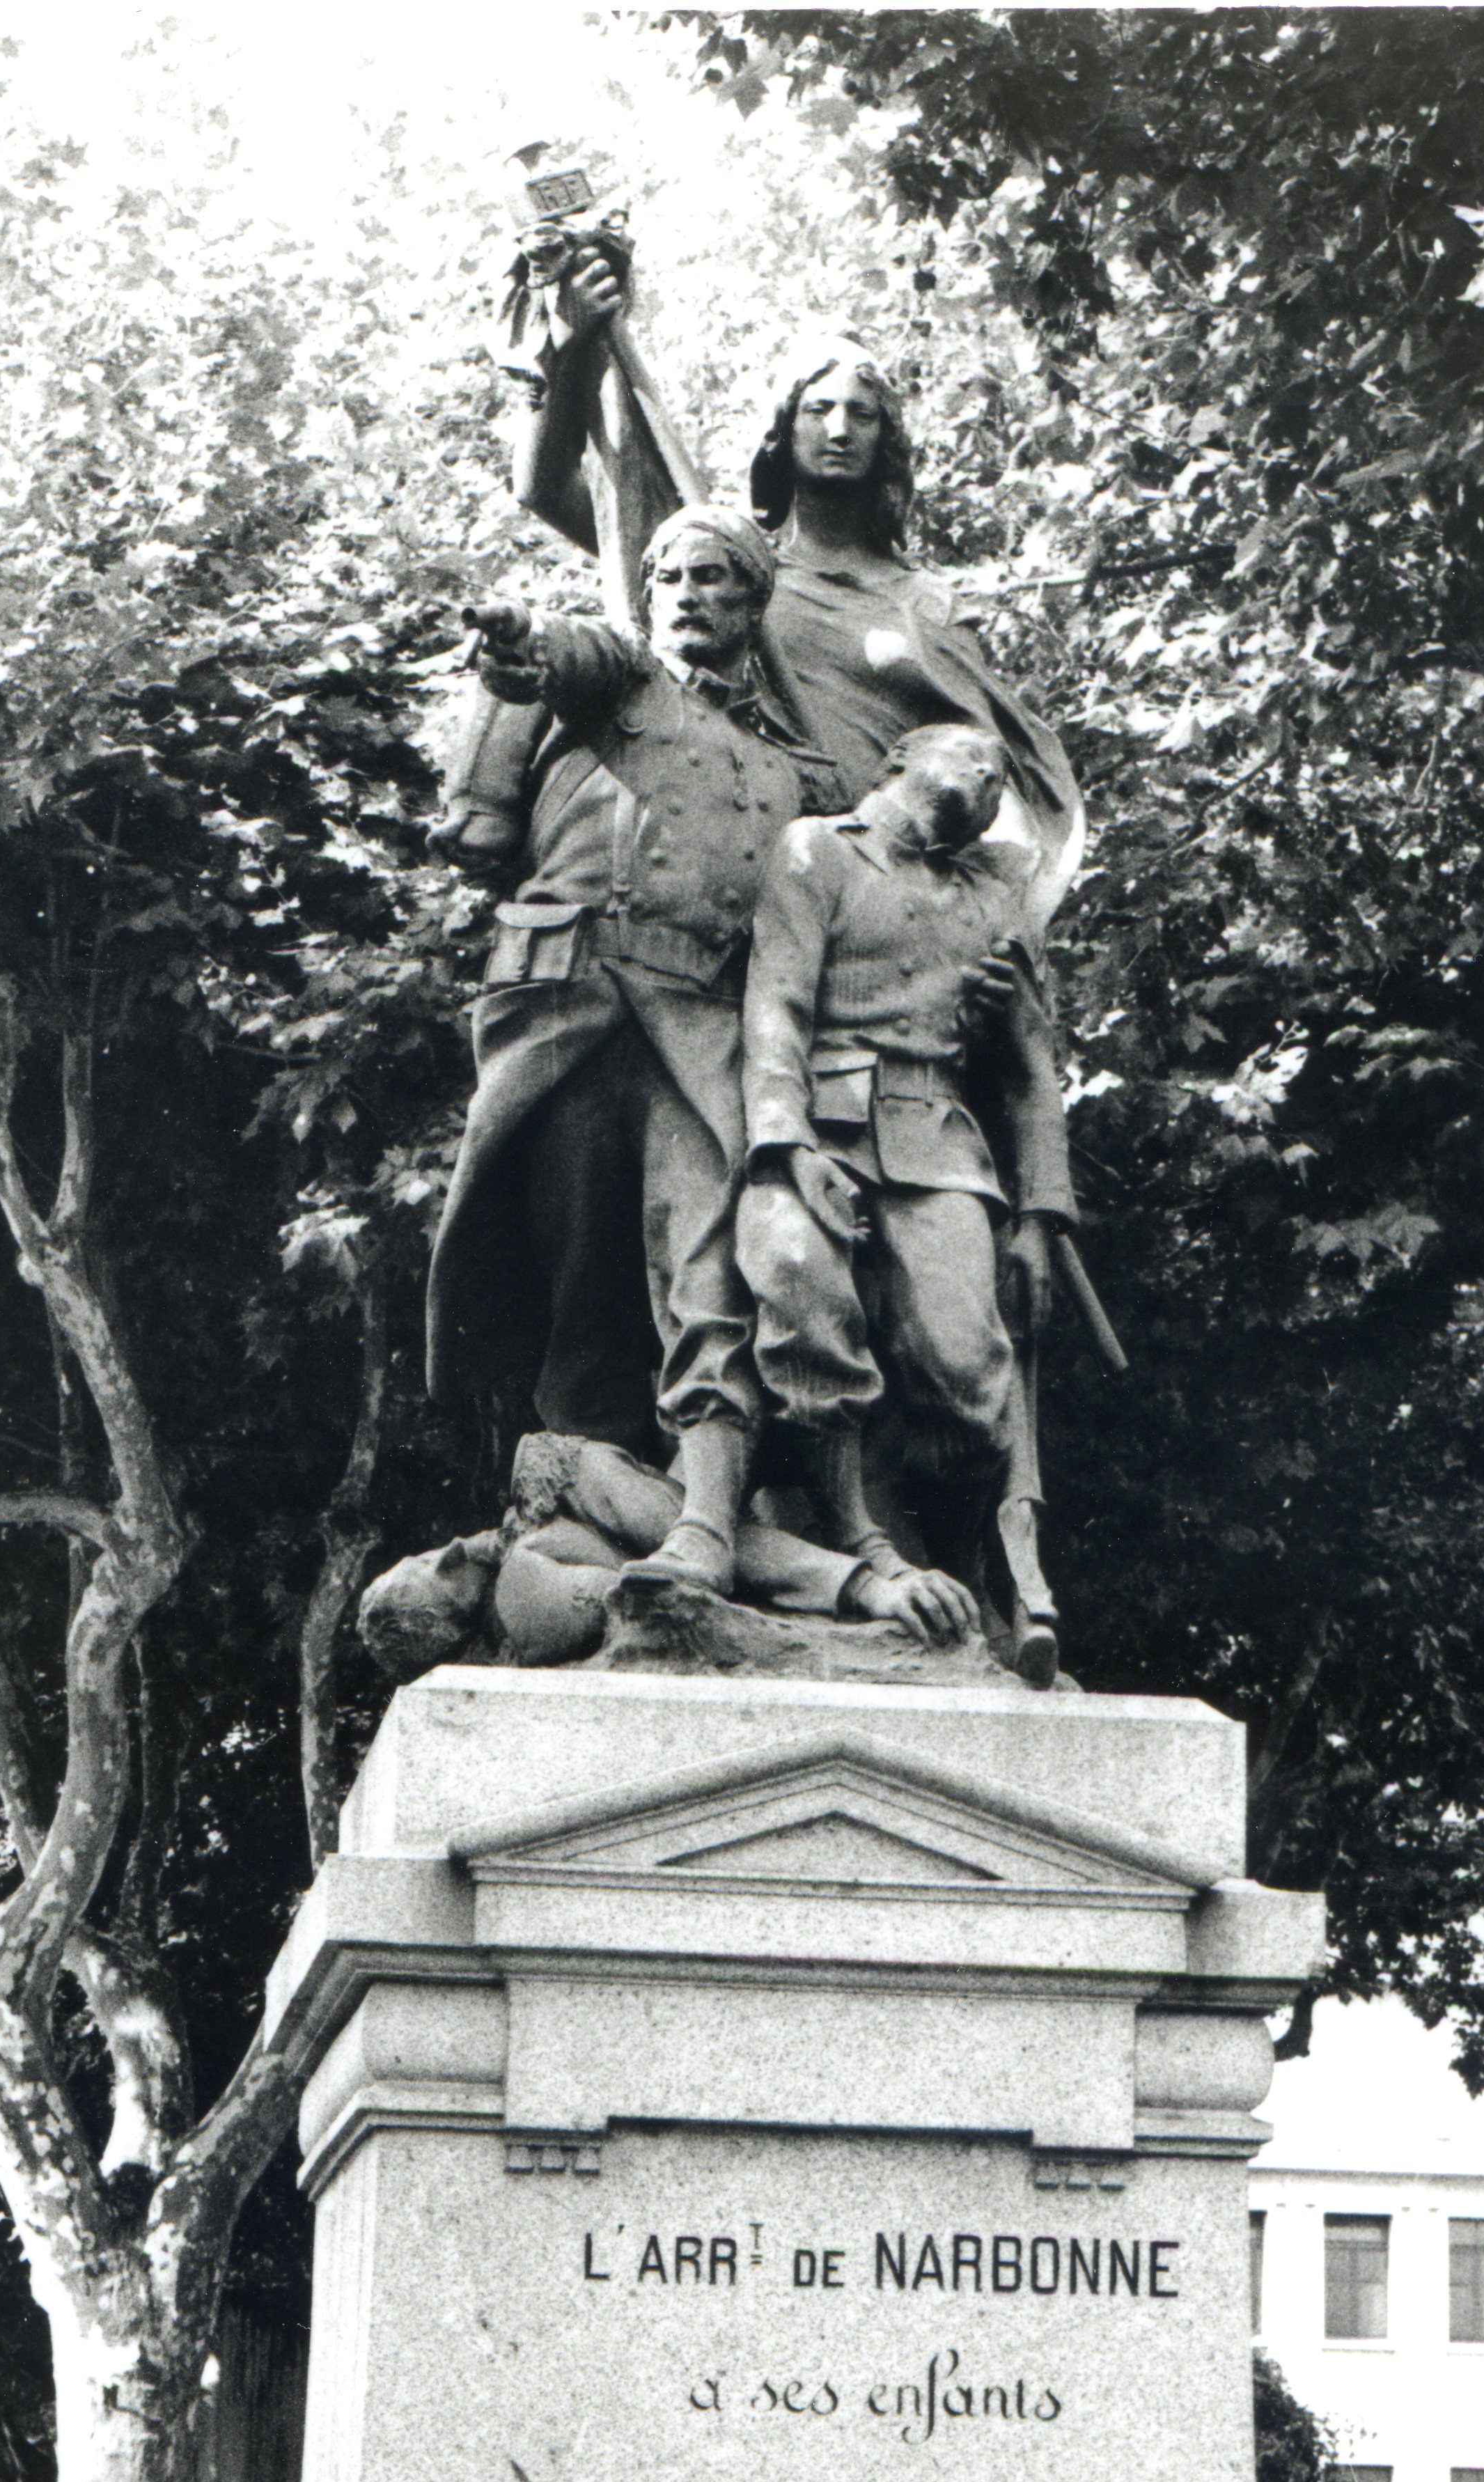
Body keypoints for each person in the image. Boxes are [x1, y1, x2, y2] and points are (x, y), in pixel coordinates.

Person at [422, 504, 843, 1595]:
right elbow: (573, 653)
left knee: (710, 1257)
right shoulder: (617, 684)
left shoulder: (799, 773)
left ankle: (706, 1516)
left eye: (718, 581)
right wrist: (525, 644)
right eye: (672, 580)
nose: (690, 598)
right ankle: (588, 1499)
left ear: (755, 606)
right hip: (570, 1006)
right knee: (576, 1278)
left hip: (702, 1031)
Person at [515, 271, 1082, 927]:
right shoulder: (718, 563)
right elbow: (546, 492)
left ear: (885, 438)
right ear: (784, 429)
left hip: (883, 894)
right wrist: (572, 339)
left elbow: (988, 763)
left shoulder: (926, 600)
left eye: (861, 413)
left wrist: (996, 914)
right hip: (742, 866)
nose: (839, 429)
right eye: (818, 410)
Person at [737, 721, 1075, 1681]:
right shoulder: (814, 850)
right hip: (818, 1133)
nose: (987, 779)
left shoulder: (995, 898)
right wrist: (785, 1148)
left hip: (938, 1148)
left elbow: (1026, 1075)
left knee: (970, 1371)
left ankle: (967, 1566)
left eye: (1001, 776)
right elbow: (776, 1011)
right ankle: (858, 1541)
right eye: (971, 757)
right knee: (799, 1280)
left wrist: (1041, 1220)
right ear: (893, 760)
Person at [360, 1435, 970, 1676]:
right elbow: (697, 1541)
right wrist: (868, 1586)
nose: (441, 1551)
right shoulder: (530, 1558)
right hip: (770, 1506)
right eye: (425, 1569)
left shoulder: (529, 1562)